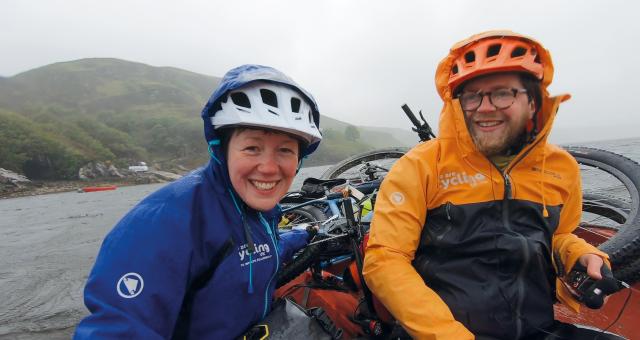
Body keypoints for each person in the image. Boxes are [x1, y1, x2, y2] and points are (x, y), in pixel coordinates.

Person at [362, 30, 612, 339]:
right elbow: (385, 259)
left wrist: (583, 254)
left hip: (537, 328)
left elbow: (559, 235)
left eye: (503, 93)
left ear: (533, 101)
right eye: (472, 96)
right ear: (457, 103)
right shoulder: (420, 165)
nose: (485, 107)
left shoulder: (561, 167)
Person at [74, 64, 323, 339]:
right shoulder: (165, 222)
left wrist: (301, 235)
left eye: (285, 150)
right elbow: (118, 328)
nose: (268, 168)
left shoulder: (255, 209)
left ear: (299, 160)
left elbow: (257, 249)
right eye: (252, 148)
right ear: (222, 148)